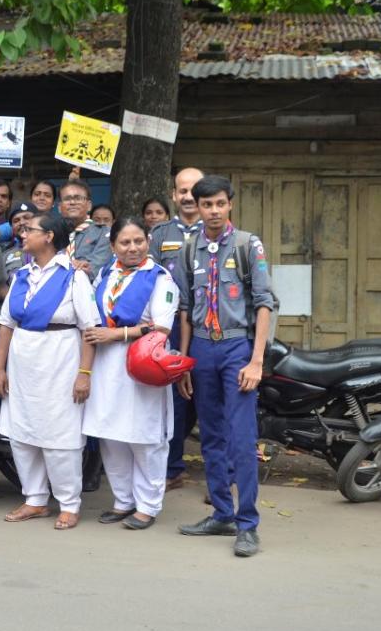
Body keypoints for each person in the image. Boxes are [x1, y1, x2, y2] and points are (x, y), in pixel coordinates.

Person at [176, 175, 274, 558]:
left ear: (230, 204)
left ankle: (247, 524)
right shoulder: (189, 249)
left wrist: (256, 361)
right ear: (196, 208)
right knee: (211, 437)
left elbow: (265, 303)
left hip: (237, 348)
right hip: (201, 348)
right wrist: (184, 362)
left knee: (242, 440)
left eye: (219, 203)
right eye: (206, 205)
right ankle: (221, 514)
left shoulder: (248, 245)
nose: (213, 211)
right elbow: (186, 310)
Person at [0, 215, 99, 530]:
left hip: (60, 360)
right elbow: (6, 325)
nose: (22, 234)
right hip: (23, 363)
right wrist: (0, 368)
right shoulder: (22, 276)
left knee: (60, 435)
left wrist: (84, 373)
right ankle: (35, 499)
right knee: (22, 432)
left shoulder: (73, 277)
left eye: (30, 230)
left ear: (49, 236)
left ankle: (69, 502)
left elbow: (90, 329)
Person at [82, 217, 179, 530]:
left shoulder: (160, 278)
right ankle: (123, 500)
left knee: (144, 436)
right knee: (112, 434)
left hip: (142, 365)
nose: (133, 248)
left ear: (147, 242)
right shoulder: (106, 275)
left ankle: (148, 504)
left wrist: (118, 335)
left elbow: (162, 327)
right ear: (113, 246)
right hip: (106, 366)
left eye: (139, 241)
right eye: (125, 242)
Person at [149, 167, 203, 490]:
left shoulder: (217, 232)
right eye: (182, 190)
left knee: (208, 398)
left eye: (194, 190)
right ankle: (173, 468)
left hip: (209, 327)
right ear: (174, 195)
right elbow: (150, 276)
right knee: (173, 398)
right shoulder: (159, 235)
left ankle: (221, 477)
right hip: (171, 327)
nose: (187, 196)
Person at [59, 179, 112, 279]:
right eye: (67, 198)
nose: (72, 202)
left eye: (78, 198)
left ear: (89, 205)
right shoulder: (52, 234)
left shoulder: (104, 233)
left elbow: (95, 270)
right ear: (59, 207)